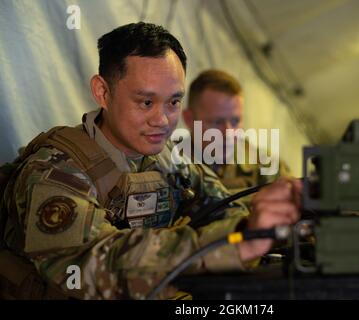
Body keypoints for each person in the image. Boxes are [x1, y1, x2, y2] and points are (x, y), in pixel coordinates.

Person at [0, 22, 301, 300]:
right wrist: (233, 246)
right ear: (103, 92)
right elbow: (88, 266)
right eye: (146, 102)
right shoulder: (55, 169)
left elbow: (222, 205)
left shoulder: (168, 158)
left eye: (173, 102)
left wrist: (271, 223)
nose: (162, 120)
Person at [183, 69, 291, 196]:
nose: (229, 133)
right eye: (217, 122)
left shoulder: (267, 167)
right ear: (189, 119)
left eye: (235, 121)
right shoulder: (170, 166)